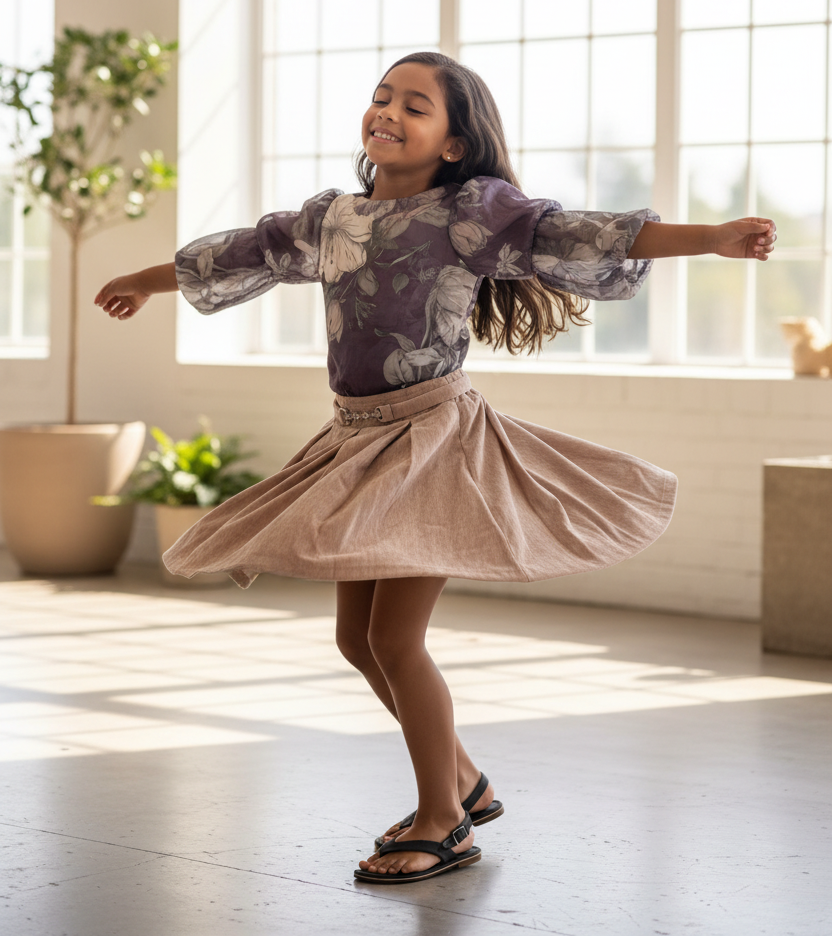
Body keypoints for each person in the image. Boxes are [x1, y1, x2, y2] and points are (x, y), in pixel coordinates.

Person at [95, 51, 777, 884]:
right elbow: (244, 253)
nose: (387, 110)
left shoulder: (470, 212)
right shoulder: (331, 219)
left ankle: (443, 820)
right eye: (382, 96)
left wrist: (709, 239)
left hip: (432, 441)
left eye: (414, 105)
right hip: (356, 439)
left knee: (393, 637)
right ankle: (464, 781)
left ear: (454, 144)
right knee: (356, 639)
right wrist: (143, 279)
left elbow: (573, 232)